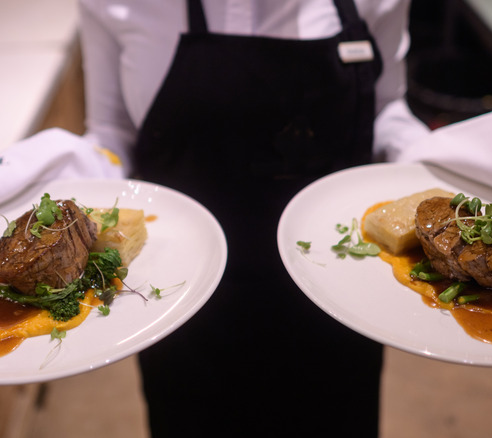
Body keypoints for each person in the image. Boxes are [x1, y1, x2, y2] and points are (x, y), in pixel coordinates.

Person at [78, 0, 429, 436]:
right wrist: (56, 182)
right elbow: (112, 133)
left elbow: (387, 107)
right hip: (181, 304)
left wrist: (432, 160)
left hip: (339, 299)